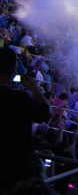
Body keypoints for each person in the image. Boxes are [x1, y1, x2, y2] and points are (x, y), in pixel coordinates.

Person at [0, 46, 51, 192]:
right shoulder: (18, 98)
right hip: (15, 170)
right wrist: (34, 88)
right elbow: (45, 113)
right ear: (14, 69)